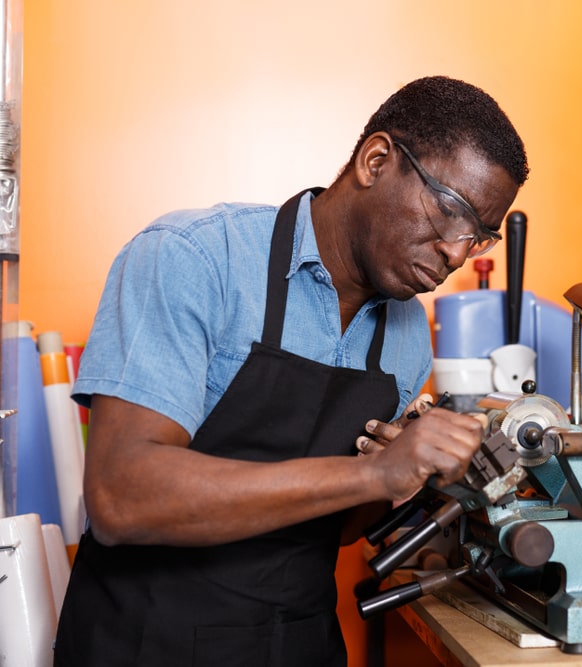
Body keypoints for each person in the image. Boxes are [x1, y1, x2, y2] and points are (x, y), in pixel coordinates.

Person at [53, 75, 529, 666]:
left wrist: (403, 470)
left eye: (478, 237)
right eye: (450, 212)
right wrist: (372, 477)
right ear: (376, 160)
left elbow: (341, 529)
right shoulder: (194, 257)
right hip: (148, 640)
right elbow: (122, 497)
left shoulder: (406, 338)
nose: (457, 254)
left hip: (295, 642)